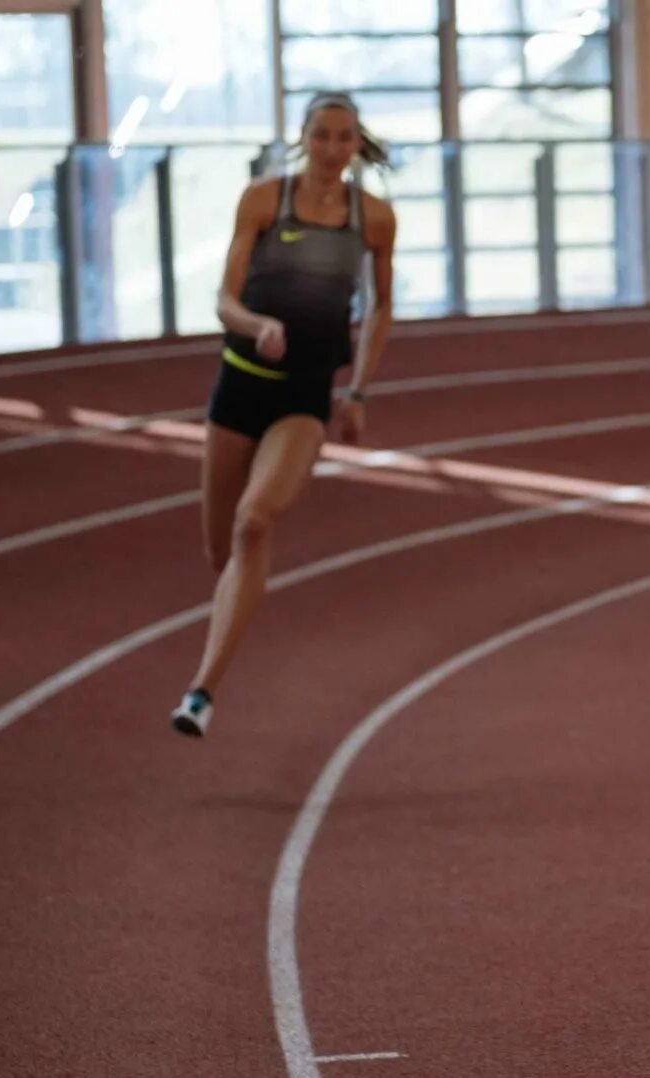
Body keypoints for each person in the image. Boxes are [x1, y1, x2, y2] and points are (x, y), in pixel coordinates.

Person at [170, 92, 397, 737]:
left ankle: (201, 693)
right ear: (304, 139)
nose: (332, 149)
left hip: (304, 396)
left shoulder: (374, 218)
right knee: (221, 550)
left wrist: (357, 390)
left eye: (344, 137)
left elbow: (380, 308)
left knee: (253, 521)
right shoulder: (264, 200)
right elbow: (224, 299)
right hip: (239, 387)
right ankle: (236, 608)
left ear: (357, 144)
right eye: (322, 135)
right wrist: (257, 323)